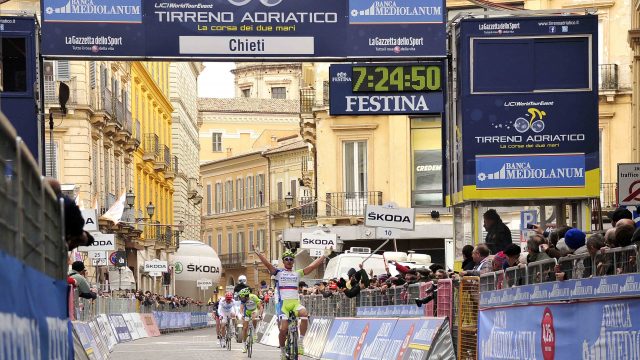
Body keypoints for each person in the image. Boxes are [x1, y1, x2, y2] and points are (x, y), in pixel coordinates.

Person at [254, 248, 327, 359]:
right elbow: (268, 265)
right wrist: (259, 254)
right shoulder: (278, 273)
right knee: (283, 329)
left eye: (291, 259)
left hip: (295, 303)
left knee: (304, 314)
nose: (289, 261)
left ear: (293, 261)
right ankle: (283, 351)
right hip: (283, 305)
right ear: (283, 261)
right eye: (286, 259)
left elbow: (312, 267)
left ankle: (301, 341)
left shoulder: (297, 273)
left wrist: (324, 256)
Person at [238, 288, 263, 353]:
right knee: (245, 328)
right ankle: (244, 345)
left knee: (254, 316)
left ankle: (254, 332)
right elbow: (241, 309)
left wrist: (260, 315)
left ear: (246, 296)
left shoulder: (253, 297)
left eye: (242, 297)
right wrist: (241, 315)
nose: (241, 298)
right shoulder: (243, 300)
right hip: (247, 312)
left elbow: (260, 307)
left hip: (254, 310)